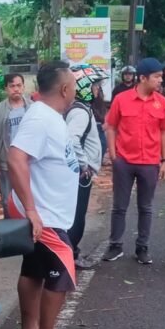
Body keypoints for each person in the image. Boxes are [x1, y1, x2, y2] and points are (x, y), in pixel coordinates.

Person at [6, 61, 79, 329]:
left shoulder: (50, 116)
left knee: (34, 270)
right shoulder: (41, 118)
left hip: (50, 212)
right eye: (74, 85)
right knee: (62, 271)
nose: (76, 90)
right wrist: (32, 212)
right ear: (64, 89)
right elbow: (16, 157)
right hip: (45, 215)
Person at [102, 58, 165, 264]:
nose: (161, 80)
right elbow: (111, 126)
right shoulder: (121, 99)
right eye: (157, 77)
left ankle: (142, 247)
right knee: (119, 206)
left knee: (146, 207)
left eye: (161, 76)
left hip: (150, 162)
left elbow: (164, 132)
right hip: (124, 161)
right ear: (142, 78)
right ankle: (115, 245)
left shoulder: (162, 102)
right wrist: (114, 154)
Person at [65, 65, 106, 268]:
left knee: (76, 214)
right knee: (76, 216)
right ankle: (70, 255)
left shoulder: (80, 109)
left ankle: (71, 253)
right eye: (95, 86)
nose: (98, 90)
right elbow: (72, 140)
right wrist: (84, 165)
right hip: (80, 175)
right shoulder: (80, 112)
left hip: (79, 173)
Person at [0, 73, 31, 204]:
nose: (16, 89)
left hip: (30, 162)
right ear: (6, 89)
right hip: (7, 163)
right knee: (8, 200)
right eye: (12, 86)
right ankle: (11, 223)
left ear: (23, 87)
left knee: (31, 198)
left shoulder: (32, 108)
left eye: (19, 85)